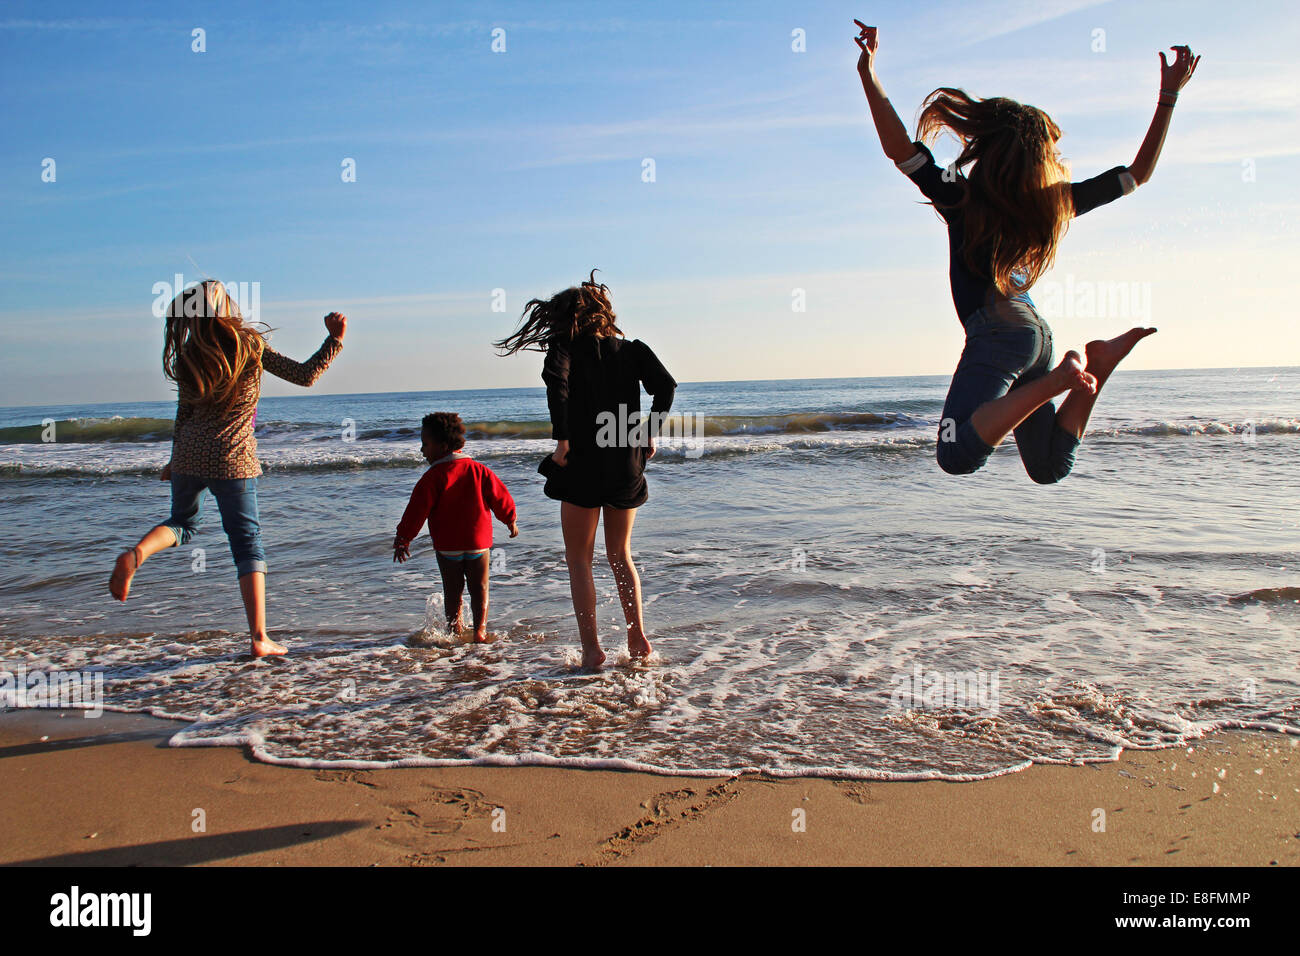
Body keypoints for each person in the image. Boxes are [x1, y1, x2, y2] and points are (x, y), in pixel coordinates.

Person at [854, 20, 1200, 483]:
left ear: (991, 147)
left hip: (1000, 337)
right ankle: (1097, 364)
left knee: (956, 453)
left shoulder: (961, 196)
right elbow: (1139, 173)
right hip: (1036, 339)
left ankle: (1063, 378)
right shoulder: (1054, 204)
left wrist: (868, 73)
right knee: (1049, 465)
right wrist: (1169, 96)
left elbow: (899, 149)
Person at [107, 279, 346, 657]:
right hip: (232, 457)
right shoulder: (248, 344)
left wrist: (174, 458)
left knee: (182, 524)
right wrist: (333, 340)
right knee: (247, 542)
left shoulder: (189, 355)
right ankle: (259, 638)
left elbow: (183, 412)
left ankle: (136, 555)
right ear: (226, 309)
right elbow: (305, 375)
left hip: (189, 453)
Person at [495, 271, 676, 670]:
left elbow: (555, 384)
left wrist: (562, 439)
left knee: (579, 559)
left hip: (581, 461)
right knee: (620, 554)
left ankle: (592, 649)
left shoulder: (564, 350)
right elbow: (667, 387)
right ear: (603, 313)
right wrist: (649, 431)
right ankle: (636, 636)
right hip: (624, 455)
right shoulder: (633, 351)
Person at [393, 412, 519, 643]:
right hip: (477, 544)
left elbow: (415, 512)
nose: (422, 450)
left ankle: (455, 631)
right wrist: (510, 519)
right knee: (480, 588)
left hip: (448, 546)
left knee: (453, 591)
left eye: (425, 444)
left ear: (442, 446)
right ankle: (480, 631)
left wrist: (403, 539)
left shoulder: (432, 477)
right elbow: (500, 496)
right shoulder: (479, 470)